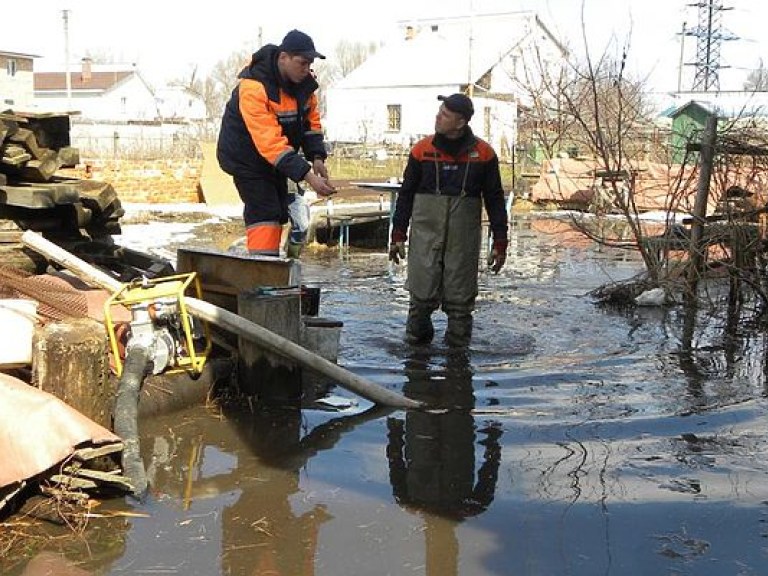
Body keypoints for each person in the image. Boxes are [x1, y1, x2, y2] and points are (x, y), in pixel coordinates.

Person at [388, 93, 508, 347]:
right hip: (425, 237)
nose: (437, 117)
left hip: (463, 241)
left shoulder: (484, 154)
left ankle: (458, 366)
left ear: (460, 122)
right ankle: (416, 361)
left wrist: (500, 241)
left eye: (444, 114)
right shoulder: (422, 151)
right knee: (420, 300)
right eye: (439, 111)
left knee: (461, 304)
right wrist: (398, 234)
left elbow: (495, 200)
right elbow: (406, 195)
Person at [217, 29, 336, 257]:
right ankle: (264, 271)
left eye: (310, 63)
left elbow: (311, 123)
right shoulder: (254, 87)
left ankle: (278, 266)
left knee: (281, 210)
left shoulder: (305, 85)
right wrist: (308, 176)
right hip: (245, 157)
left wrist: (317, 157)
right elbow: (269, 142)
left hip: (275, 158)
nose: (307, 69)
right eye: (302, 63)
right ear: (283, 58)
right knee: (265, 211)